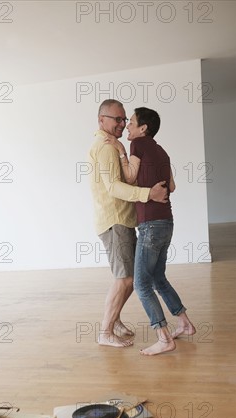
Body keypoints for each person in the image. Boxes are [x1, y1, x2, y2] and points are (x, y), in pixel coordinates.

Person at [106, 107, 196, 355]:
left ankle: (164, 337)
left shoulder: (139, 145)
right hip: (167, 221)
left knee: (142, 284)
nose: (127, 127)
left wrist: (121, 151)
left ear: (143, 128)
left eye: (131, 123)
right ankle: (185, 324)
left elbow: (131, 177)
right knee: (158, 278)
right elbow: (172, 187)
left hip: (150, 225)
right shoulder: (161, 150)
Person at [89, 99, 168, 348]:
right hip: (115, 220)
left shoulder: (115, 146)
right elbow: (114, 187)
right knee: (124, 279)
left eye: (125, 120)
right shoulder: (105, 147)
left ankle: (115, 321)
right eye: (117, 119)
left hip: (122, 219)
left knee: (131, 277)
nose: (122, 124)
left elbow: (127, 179)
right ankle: (105, 331)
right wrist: (148, 194)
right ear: (102, 120)